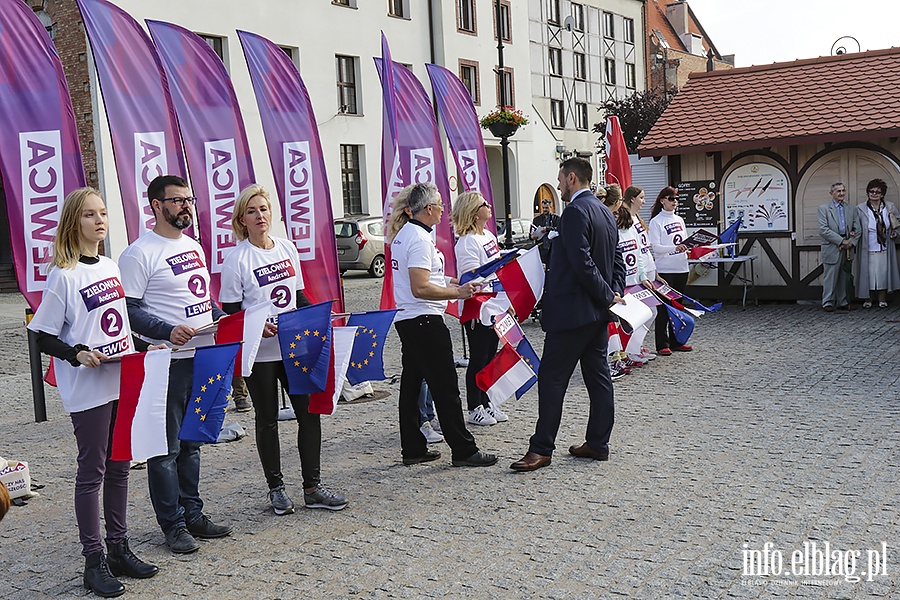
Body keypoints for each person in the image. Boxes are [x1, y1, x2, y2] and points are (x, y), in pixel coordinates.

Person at [28, 187, 158, 597]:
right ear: (74, 222)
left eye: (103, 213)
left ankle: (119, 547)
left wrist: (141, 347)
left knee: (121, 464)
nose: (100, 220)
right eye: (89, 214)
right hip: (88, 387)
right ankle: (93, 560)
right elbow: (42, 335)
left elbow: (117, 322)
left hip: (120, 376)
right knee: (93, 471)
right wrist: (77, 353)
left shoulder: (110, 266)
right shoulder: (63, 275)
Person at [119, 175, 232, 554]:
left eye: (189, 199)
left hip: (202, 356)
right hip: (167, 362)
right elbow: (128, 310)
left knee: (192, 443)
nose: (186, 206)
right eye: (178, 200)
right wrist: (168, 330)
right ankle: (173, 525)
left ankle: (194, 514)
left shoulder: (194, 246)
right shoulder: (139, 253)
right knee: (164, 449)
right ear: (156, 205)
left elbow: (202, 301)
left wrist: (227, 321)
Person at [219, 184, 347, 516]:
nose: (259, 216)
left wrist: (321, 318)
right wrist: (253, 326)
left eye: (263, 209)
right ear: (241, 220)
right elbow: (230, 312)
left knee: (310, 415)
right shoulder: (236, 259)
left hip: (294, 348)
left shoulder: (287, 248)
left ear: (270, 213)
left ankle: (313, 487)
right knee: (267, 420)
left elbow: (299, 296)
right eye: (251, 211)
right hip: (261, 354)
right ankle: (276, 488)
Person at [511, 158, 625, 472]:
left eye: (560, 179)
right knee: (598, 378)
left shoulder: (575, 211)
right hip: (597, 313)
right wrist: (614, 294)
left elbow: (581, 262)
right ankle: (598, 442)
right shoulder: (604, 210)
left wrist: (606, 295)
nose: (558, 185)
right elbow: (618, 259)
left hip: (574, 312)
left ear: (572, 178)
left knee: (552, 379)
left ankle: (541, 449)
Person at [387, 182, 498, 467]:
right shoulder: (419, 239)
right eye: (439, 205)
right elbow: (420, 287)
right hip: (423, 318)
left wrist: (452, 281)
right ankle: (463, 449)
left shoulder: (408, 234)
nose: (442, 210)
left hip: (411, 318)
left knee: (411, 385)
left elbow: (426, 277)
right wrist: (457, 293)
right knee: (445, 386)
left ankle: (412, 447)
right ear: (428, 209)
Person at [452, 191, 509, 426]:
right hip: (477, 307)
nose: (489, 206)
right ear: (475, 213)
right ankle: (474, 406)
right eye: (484, 204)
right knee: (478, 357)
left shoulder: (488, 235)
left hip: (495, 303)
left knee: (490, 357)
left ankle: (487, 402)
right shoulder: (467, 242)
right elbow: (471, 277)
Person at [620, 186, 665, 361]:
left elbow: (642, 249)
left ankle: (636, 346)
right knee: (643, 312)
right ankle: (630, 349)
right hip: (633, 276)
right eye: (641, 198)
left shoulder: (637, 219)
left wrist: (652, 272)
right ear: (632, 198)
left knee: (651, 311)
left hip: (645, 270)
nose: (644, 202)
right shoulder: (624, 220)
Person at [649, 186, 690, 355]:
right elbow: (656, 247)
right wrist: (675, 247)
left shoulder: (680, 219)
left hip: (681, 267)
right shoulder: (656, 221)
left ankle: (677, 341)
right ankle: (662, 343)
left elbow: (686, 241)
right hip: (665, 269)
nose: (675, 202)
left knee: (678, 307)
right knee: (664, 308)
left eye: (677, 199)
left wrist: (690, 248)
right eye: (671, 198)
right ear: (662, 200)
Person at [854, 178, 900, 308]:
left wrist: (895, 233)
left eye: (878, 192)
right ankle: (868, 299)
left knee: (882, 273)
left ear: (882, 194)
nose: (874, 194)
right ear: (867, 193)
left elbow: (898, 223)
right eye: (871, 191)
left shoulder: (889, 207)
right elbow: (855, 226)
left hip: (885, 246)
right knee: (868, 274)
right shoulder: (860, 209)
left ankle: (882, 299)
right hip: (867, 246)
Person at [817, 182, 861, 312]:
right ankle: (828, 302)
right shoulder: (823, 209)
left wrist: (852, 241)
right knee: (830, 276)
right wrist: (841, 241)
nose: (841, 193)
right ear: (831, 193)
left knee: (844, 275)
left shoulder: (851, 209)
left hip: (848, 247)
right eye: (838, 191)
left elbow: (857, 228)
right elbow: (823, 230)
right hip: (832, 246)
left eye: (843, 191)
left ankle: (843, 301)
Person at [531, 196, 560, 266]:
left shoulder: (557, 218)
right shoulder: (537, 219)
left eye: (546, 208)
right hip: (541, 247)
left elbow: (559, 229)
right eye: (543, 208)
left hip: (552, 248)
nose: (544, 210)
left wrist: (547, 229)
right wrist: (532, 236)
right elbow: (532, 231)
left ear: (551, 207)